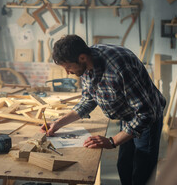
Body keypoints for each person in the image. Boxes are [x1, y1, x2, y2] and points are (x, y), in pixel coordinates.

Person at [41, 35, 166, 185]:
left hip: (147, 120)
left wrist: (112, 141)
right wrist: (59, 123)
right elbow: (88, 100)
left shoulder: (119, 67)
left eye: (68, 67)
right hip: (127, 116)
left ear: (81, 58)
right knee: (124, 166)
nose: (68, 72)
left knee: (141, 173)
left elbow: (146, 113)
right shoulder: (86, 64)